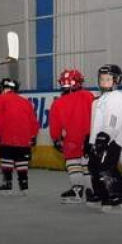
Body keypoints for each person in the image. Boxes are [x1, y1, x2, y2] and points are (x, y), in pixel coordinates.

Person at [89, 64, 122, 213]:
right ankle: (101, 193)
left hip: (112, 140)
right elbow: (97, 121)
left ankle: (117, 195)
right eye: (102, 79)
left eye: (108, 79)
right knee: (94, 166)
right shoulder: (102, 99)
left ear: (116, 80)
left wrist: (106, 135)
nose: (104, 82)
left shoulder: (117, 98)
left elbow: (113, 119)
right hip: (101, 139)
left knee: (106, 167)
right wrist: (91, 140)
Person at [48, 69, 94, 204]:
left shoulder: (58, 102)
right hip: (89, 137)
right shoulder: (88, 95)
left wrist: (56, 139)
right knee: (87, 165)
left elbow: (55, 125)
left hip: (71, 140)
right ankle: (91, 191)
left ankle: (77, 191)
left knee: (73, 163)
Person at [0, 77, 39, 196]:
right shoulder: (26, 101)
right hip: (24, 137)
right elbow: (33, 121)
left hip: (7, 135)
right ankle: (24, 185)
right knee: (21, 160)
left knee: (6, 159)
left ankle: (7, 184)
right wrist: (33, 136)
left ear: (3, 88)